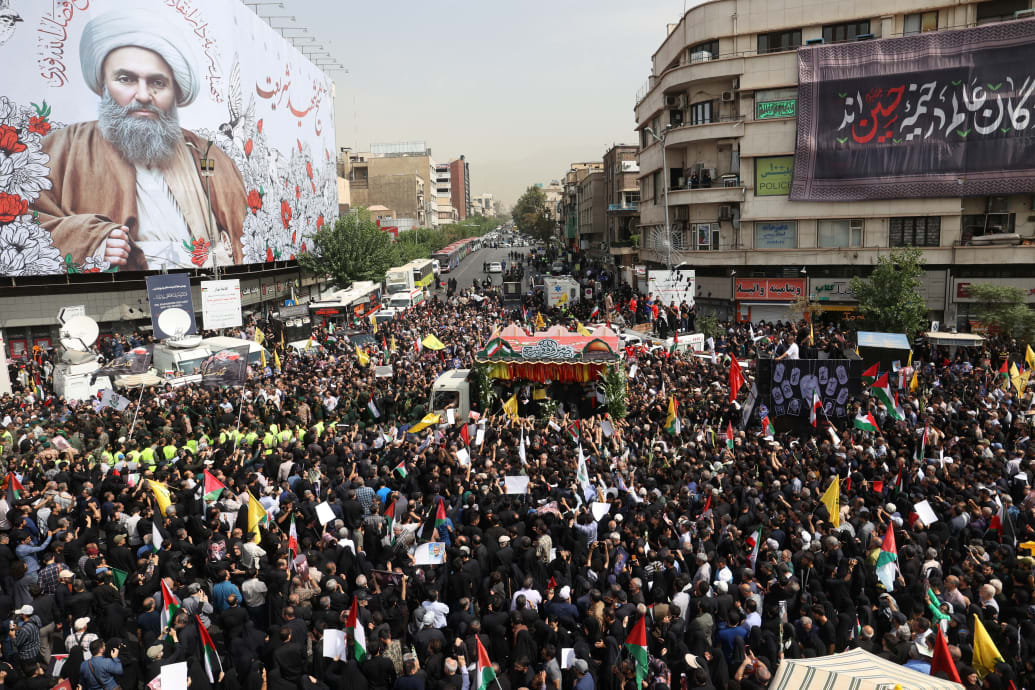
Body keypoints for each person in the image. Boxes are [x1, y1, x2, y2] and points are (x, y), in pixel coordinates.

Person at [33, 8, 247, 271]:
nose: (144, 95)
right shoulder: (62, 149)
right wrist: (93, 239)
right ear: (103, 84)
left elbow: (242, 232)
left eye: (157, 83)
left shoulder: (208, 155)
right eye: (126, 79)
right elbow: (23, 222)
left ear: (175, 91)